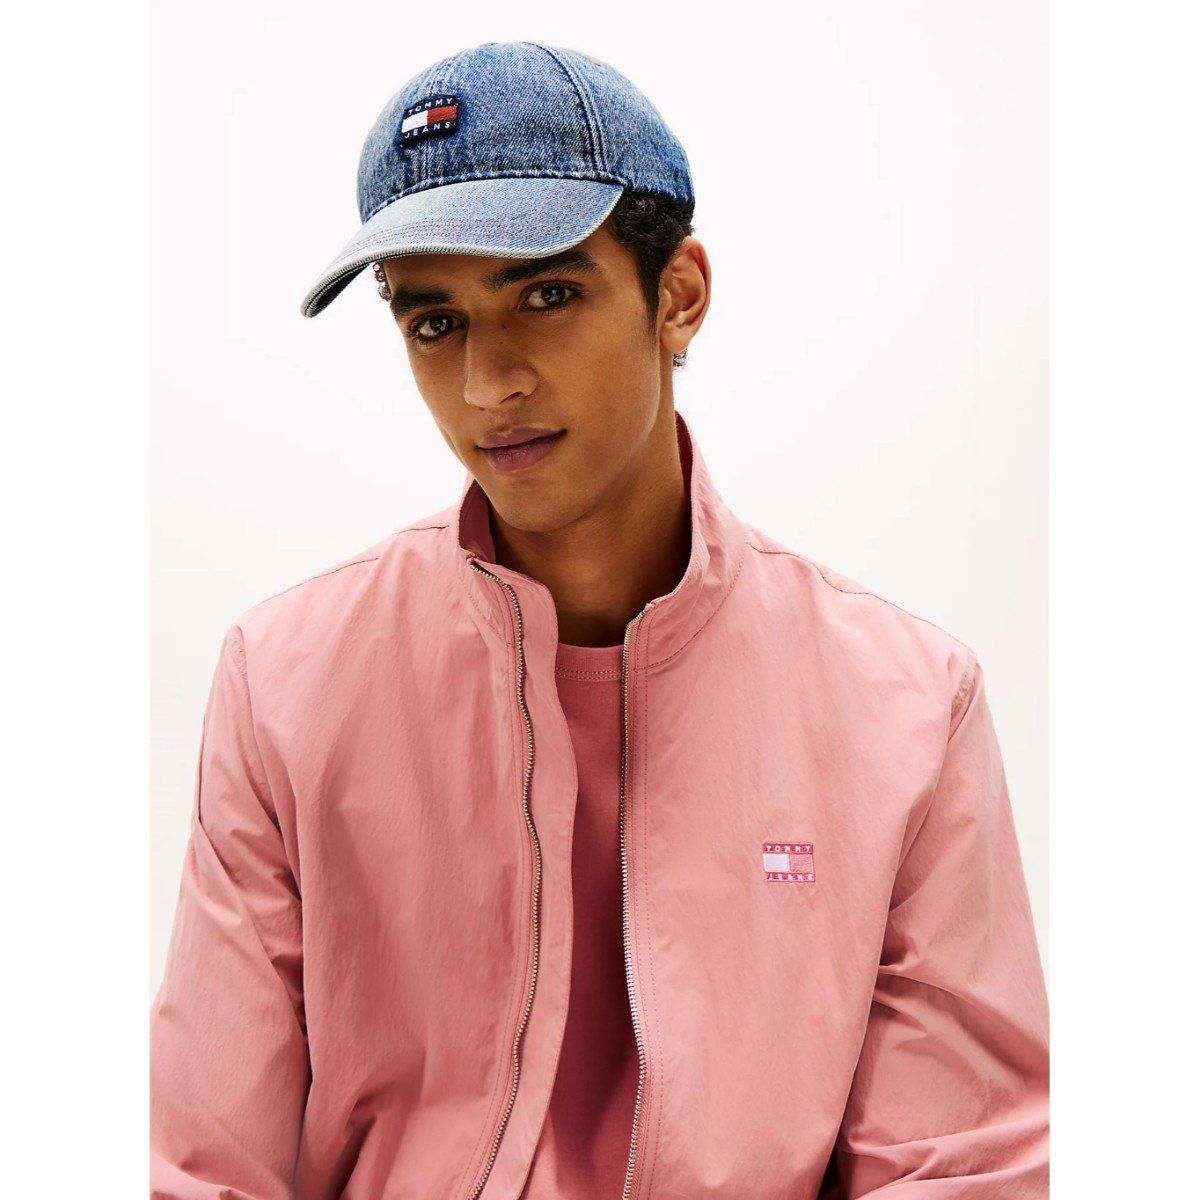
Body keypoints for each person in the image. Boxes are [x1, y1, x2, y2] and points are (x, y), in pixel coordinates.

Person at [150, 41, 1050, 1200]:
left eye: (547, 294)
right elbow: (202, 1163)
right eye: (435, 323)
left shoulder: (907, 707)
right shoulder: (285, 684)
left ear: (677, 297)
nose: (488, 384)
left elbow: (962, 1168)